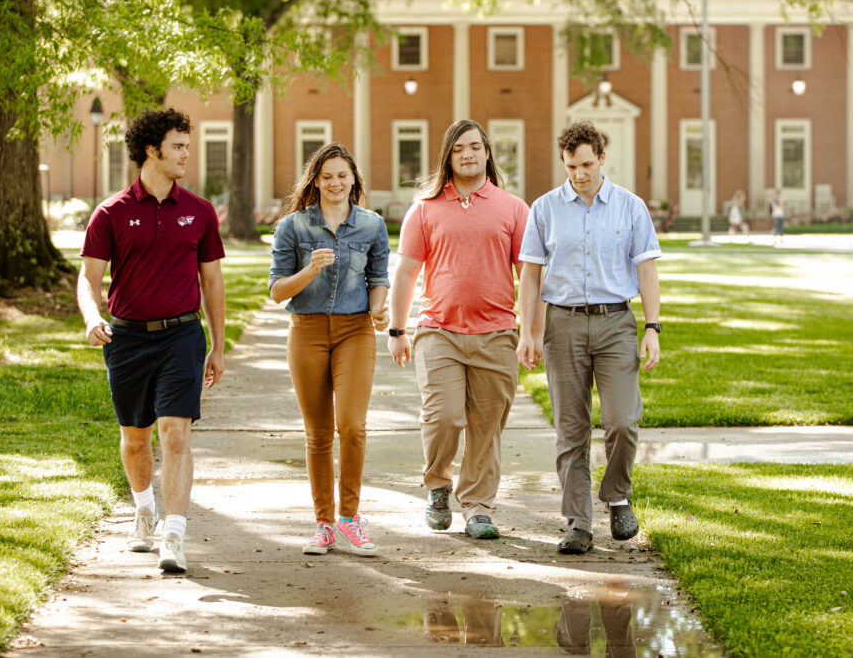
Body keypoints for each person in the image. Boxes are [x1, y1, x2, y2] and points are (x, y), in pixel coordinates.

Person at [77, 107, 226, 574]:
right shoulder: (111, 212)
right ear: (151, 150)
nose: (187, 154)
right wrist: (90, 316)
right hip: (126, 339)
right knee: (135, 438)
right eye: (178, 146)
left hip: (182, 335)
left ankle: (175, 536)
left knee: (176, 433)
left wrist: (217, 344)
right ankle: (144, 511)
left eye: (187, 145)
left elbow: (213, 282)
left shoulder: (199, 212)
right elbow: (88, 279)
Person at [516, 120, 661, 555]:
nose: (579, 174)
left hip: (616, 321)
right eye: (570, 166)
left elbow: (647, 270)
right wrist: (530, 331)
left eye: (585, 164)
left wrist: (652, 327)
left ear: (601, 157)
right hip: (563, 323)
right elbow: (530, 275)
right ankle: (578, 523)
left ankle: (617, 497)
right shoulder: (544, 209)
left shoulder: (630, 207)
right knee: (571, 429)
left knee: (621, 419)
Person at [388, 119, 534, 541]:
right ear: (448, 157)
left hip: (498, 333)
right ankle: (437, 484)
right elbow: (407, 273)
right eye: (459, 149)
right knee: (444, 416)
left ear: (487, 153)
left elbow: (528, 275)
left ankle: (478, 507)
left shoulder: (512, 208)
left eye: (475, 147)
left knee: (486, 428)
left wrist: (530, 332)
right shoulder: (425, 208)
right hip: (439, 332)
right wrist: (398, 329)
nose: (467, 154)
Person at [269, 143, 389, 557]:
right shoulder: (294, 228)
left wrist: (378, 310)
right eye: (327, 176)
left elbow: (379, 277)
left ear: (354, 179)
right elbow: (276, 291)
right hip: (307, 330)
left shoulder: (372, 226)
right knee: (319, 433)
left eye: (342, 175)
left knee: (352, 426)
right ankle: (323, 525)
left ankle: (350, 519)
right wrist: (310, 269)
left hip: (356, 330)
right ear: (315, 182)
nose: (335, 183)